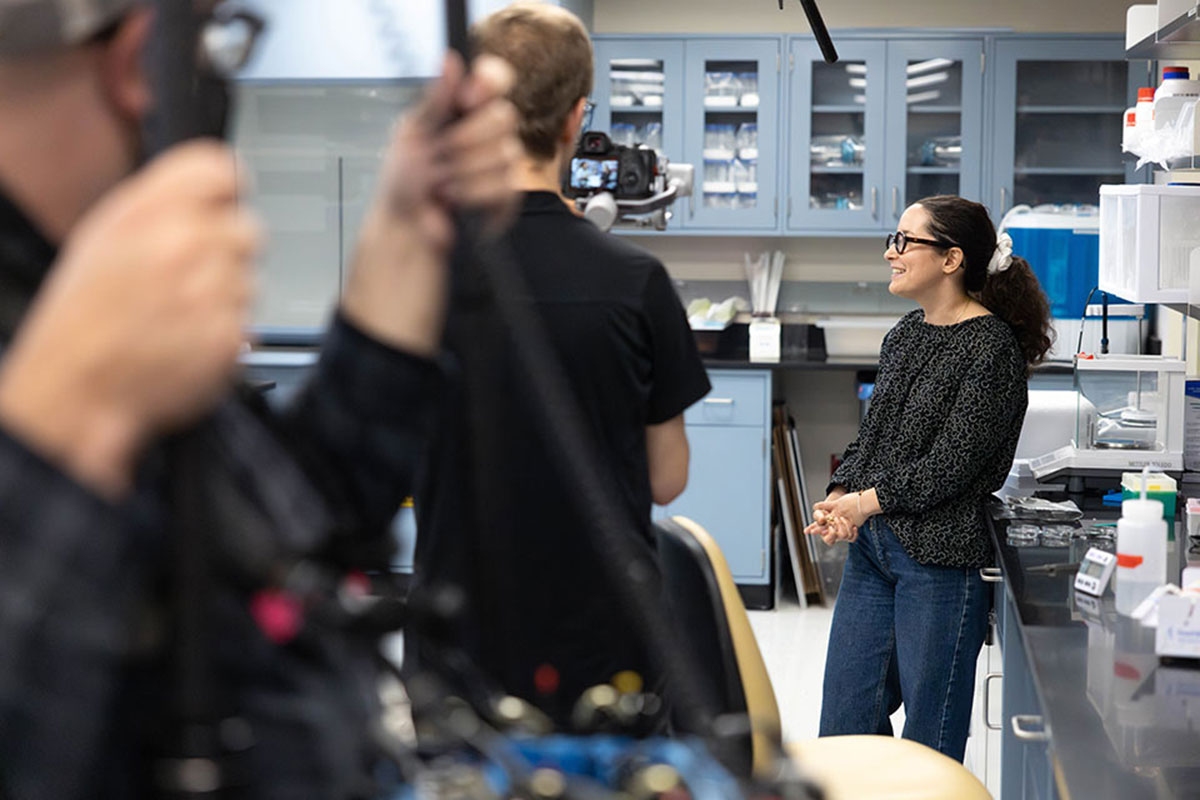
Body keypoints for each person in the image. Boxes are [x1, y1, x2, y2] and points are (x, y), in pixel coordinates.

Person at [0, 0, 519, 796]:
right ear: (142, 64)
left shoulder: (71, 304)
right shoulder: (66, 368)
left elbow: (297, 540)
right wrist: (70, 424)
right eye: (217, 40)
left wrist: (409, 232)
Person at [408, 2, 711, 729]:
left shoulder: (420, 273)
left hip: (460, 637)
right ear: (576, 118)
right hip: (602, 639)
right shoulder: (636, 281)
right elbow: (667, 478)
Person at [805, 195, 1052, 761]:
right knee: (845, 721)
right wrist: (842, 496)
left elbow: (954, 466)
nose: (891, 253)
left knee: (930, 738)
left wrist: (866, 502)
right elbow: (874, 436)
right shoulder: (907, 333)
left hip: (940, 563)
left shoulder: (990, 350)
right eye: (893, 239)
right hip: (875, 552)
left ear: (950, 259)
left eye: (905, 241)